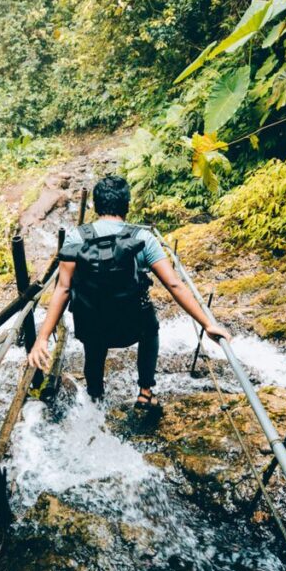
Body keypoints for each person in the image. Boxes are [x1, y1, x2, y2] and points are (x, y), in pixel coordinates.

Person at [27, 174, 230, 407]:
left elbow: (63, 289)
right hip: (131, 327)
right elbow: (174, 285)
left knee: (92, 344)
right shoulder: (143, 238)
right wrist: (207, 324)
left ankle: (95, 396)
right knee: (151, 328)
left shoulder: (76, 237)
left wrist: (42, 338)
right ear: (127, 206)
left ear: (96, 206)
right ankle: (145, 391)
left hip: (92, 326)